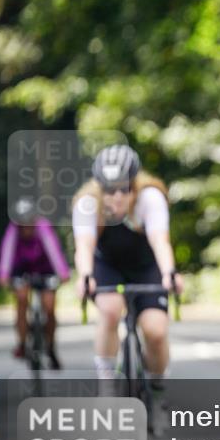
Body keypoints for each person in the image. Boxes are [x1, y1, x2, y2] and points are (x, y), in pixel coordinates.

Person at [72, 145, 182, 412]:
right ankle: (107, 383)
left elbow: (160, 241)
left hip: (145, 265)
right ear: (100, 188)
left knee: (156, 330)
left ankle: (157, 388)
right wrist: (85, 277)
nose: (118, 197)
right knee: (109, 311)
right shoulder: (88, 204)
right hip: (107, 265)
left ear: (135, 184)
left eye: (125, 189)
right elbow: (84, 246)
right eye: (110, 190)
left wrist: (169, 273)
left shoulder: (150, 198)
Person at [0, 197, 71, 368]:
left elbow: (53, 249)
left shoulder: (42, 227)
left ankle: (51, 347)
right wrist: (3, 274)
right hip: (21, 271)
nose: (27, 227)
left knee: (50, 306)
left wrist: (63, 272)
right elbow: (7, 252)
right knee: (22, 299)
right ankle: (22, 343)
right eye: (23, 223)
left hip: (45, 270)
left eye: (29, 222)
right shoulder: (13, 230)